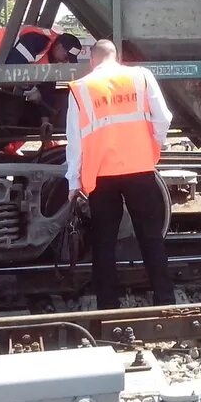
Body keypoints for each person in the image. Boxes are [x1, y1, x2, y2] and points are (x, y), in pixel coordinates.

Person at [65, 39, 175, 310]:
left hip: (101, 175)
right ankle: (164, 300)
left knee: (103, 241)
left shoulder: (80, 89)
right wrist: (153, 145)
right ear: (116, 57)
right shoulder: (141, 77)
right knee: (151, 236)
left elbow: (75, 140)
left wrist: (73, 180)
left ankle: (108, 305)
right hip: (140, 169)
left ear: (92, 59)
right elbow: (164, 117)